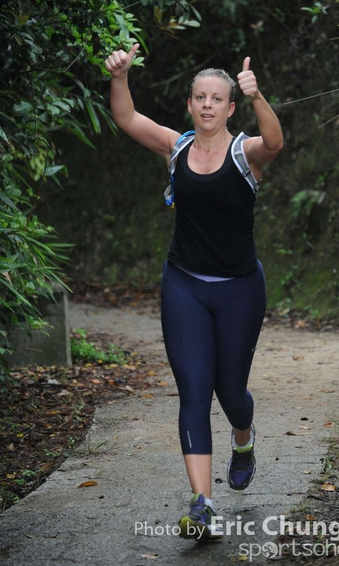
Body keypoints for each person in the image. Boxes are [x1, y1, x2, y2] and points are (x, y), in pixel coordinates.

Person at [104, 43, 284, 541]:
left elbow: (275, 142)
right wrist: (120, 76)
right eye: (199, 97)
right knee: (194, 392)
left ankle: (243, 439)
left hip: (240, 289)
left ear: (230, 108)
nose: (207, 105)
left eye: (217, 98)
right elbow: (126, 117)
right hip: (184, 284)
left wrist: (258, 96)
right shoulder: (177, 147)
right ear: (190, 105)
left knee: (231, 393)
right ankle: (202, 504)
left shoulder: (245, 153)